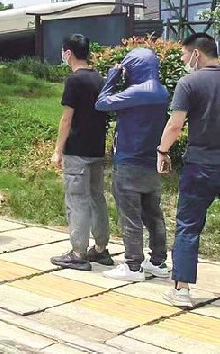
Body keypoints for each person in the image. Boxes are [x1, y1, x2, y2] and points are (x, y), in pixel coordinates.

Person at [96, 48, 170, 281]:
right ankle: (158, 262)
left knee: (130, 216)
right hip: (151, 161)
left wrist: (112, 77)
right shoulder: (162, 91)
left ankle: (133, 265)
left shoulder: (135, 92)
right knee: (154, 215)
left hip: (129, 161)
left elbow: (102, 103)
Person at [159, 33, 220, 308]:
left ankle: (181, 290)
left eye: (184, 55)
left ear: (197, 53)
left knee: (188, 227)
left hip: (201, 166)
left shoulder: (189, 83)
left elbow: (175, 125)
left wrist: (162, 151)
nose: (183, 60)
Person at [49, 34, 111, 270]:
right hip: (97, 149)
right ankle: (101, 249)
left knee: (77, 201)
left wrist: (57, 150)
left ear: (68, 54)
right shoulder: (100, 79)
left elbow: (67, 120)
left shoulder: (74, 81)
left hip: (77, 151)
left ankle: (78, 254)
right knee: (97, 199)